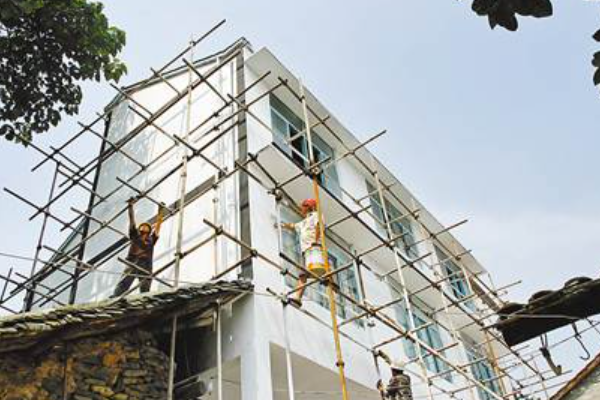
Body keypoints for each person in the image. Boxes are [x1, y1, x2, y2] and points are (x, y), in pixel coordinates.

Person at [112, 198, 164, 297]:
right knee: (125, 281)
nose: (144, 226)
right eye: (142, 226)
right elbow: (132, 220)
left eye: (147, 226)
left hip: (146, 263)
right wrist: (130, 206)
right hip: (133, 260)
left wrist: (160, 211)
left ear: (149, 230)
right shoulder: (135, 235)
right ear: (139, 229)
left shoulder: (151, 239)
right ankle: (116, 296)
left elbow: (158, 226)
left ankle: (145, 298)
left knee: (145, 285)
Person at [280, 198, 327, 307]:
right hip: (306, 251)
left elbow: (319, 226)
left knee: (318, 267)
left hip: (314, 248)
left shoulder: (316, 215)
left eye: (303, 206)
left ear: (309, 206)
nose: (301, 208)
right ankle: (297, 298)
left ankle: (330, 282)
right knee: (303, 274)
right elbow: (293, 226)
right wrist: (283, 225)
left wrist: (315, 241)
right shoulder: (304, 222)